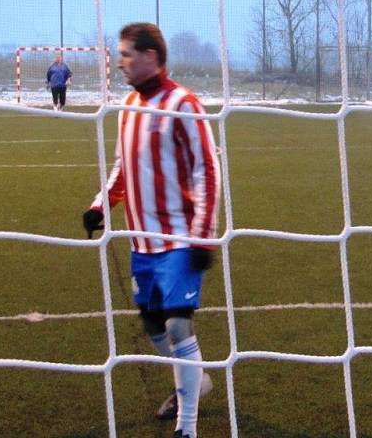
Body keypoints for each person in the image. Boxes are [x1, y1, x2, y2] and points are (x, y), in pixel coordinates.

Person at [82, 23, 220, 438]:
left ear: (150, 56)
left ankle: (187, 427)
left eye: (125, 54)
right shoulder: (128, 105)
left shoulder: (183, 103)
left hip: (179, 239)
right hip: (142, 244)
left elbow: (207, 169)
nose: (119, 61)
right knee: (153, 326)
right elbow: (123, 168)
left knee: (179, 326)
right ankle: (196, 380)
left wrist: (202, 235)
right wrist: (99, 205)